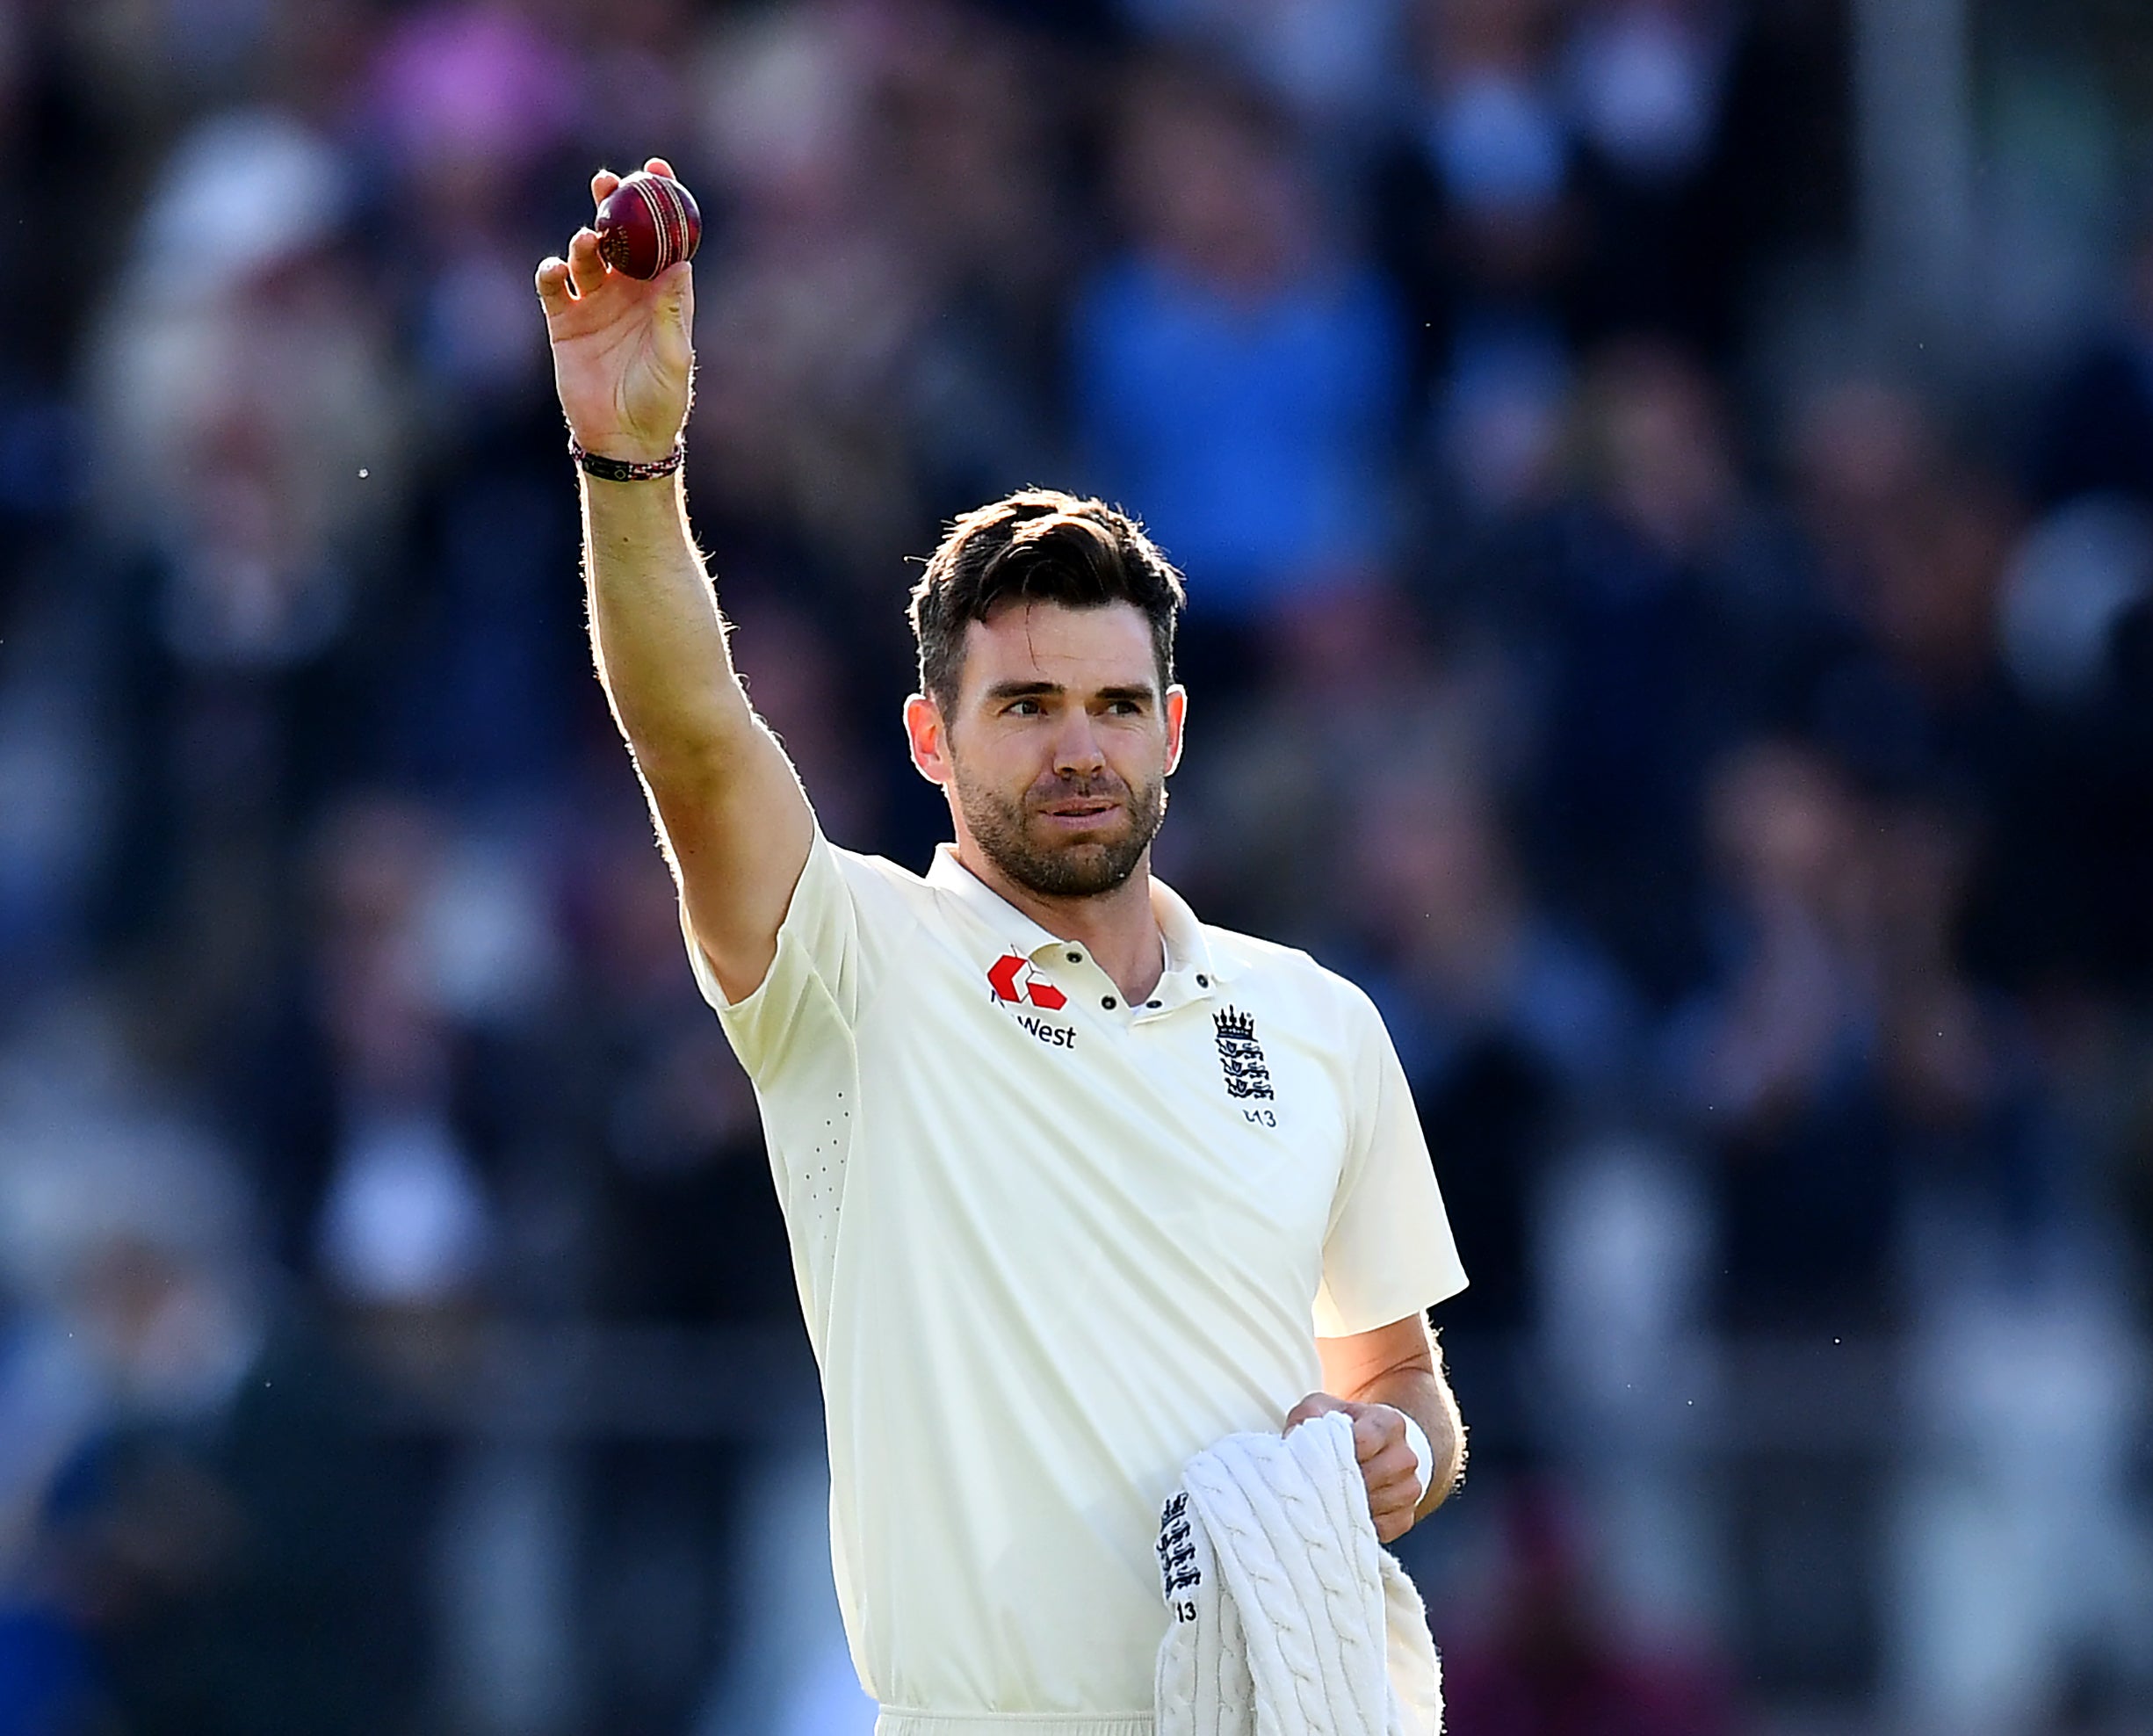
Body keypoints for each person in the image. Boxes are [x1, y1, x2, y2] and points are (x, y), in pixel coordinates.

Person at [534, 160, 1469, 1732]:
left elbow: (1399, 1374)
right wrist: (632, 470)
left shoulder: (1314, 1020)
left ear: (1174, 730)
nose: (1078, 748)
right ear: (929, 739)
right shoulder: (853, 970)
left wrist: (1403, 1453)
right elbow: (693, 743)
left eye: (1114, 706)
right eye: (1025, 708)